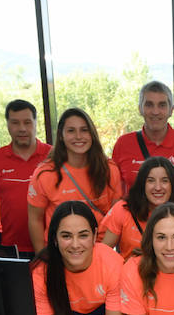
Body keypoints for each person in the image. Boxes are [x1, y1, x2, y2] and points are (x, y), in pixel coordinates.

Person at [32, 200, 125, 315]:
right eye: (66, 236)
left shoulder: (113, 264)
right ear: (54, 239)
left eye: (83, 235)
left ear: (95, 235)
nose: (75, 244)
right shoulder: (40, 273)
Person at [26, 108, 123, 254]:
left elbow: (116, 218)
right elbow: (35, 219)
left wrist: (99, 255)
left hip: (100, 250)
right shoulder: (45, 173)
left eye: (84, 130)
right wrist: (43, 257)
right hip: (60, 253)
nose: (78, 136)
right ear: (61, 136)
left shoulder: (109, 169)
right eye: (71, 131)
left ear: (92, 134)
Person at [109, 80, 174, 217]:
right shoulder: (123, 144)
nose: (155, 112)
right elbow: (115, 196)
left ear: (171, 110)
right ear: (140, 109)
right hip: (135, 232)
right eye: (149, 105)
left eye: (162, 105)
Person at [0, 99, 51, 255]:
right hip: (11, 248)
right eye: (15, 123)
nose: (22, 129)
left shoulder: (53, 155)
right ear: (7, 124)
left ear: (35, 123)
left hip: (51, 246)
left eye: (27, 122)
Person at [99, 156, 174, 260]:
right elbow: (104, 253)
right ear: (142, 184)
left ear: (173, 185)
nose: (158, 187)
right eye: (151, 181)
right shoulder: (123, 209)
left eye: (164, 181)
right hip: (129, 273)